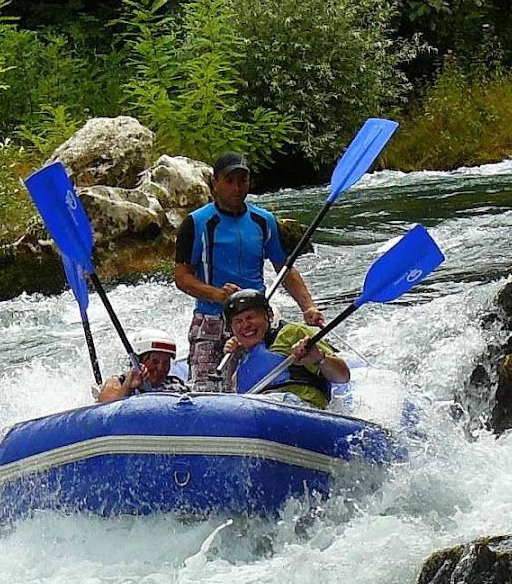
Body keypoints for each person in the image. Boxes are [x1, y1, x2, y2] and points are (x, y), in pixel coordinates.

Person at [174, 151, 325, 386]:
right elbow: (182, 278)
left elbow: (285, 270)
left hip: (256, 320)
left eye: (242, 181)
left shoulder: (264, 220)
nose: (237, 188)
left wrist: (308, 307)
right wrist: (218, 295)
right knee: (206, 390)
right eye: (229, 181)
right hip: (212, 319)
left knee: (260, 387)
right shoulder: (196, 223)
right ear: (215, 183)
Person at [221, 289, 348, 409]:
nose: (245, 325)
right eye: (238, 321)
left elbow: (343, 377)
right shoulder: (240, 355)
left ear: (268, 316)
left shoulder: (293, 332)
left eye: (250, 317)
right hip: (258, 408)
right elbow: (233, 394)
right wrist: (234, 359)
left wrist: (319, 358)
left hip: (300, 406)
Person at [95, 328, 188, 403]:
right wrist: (128, 387)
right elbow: (105, 413)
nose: (161, 368)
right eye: (155, 361)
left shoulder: (176, 384)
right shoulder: (117, 383)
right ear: (139, 360)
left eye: (166, 362)